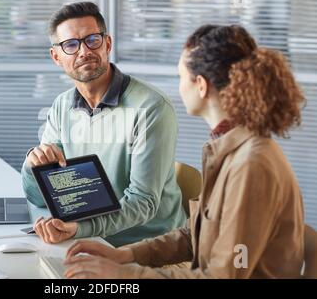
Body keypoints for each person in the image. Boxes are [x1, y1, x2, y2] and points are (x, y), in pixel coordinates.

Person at [63, 24, 305, 278]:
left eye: (181, 77)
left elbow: (223, 276)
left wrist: (125, 276)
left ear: (201, 85)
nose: (178, 88)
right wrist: (125, 255)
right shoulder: (228, 149)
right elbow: (195, 235)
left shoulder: (250, 165)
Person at [21, 2, 186, 247]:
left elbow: (143, 202)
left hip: (146, 247)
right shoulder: (62, 106)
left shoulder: (151, 107)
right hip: (90, 236)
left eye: (92, 40)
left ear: (107, 44)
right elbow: (39, 197)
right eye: (71, 45)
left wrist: (79, 229)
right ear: (56, 56)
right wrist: (32, 164)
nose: (84, 51)